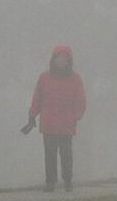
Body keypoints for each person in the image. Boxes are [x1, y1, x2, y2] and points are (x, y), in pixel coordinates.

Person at [20, 44, 86, 192]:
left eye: (64, 59)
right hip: (48, 123)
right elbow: (37, 98)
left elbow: (81, 100)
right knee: (49, 155)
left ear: (69, 61)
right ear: (53, 60)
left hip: (66, 124)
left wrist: (76, 116)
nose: (61, 61)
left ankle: (68, 180)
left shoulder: (75, 79)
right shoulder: (44, 78)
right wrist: (32, 115)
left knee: (66, 155)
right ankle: (50, 182)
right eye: (58, 58)